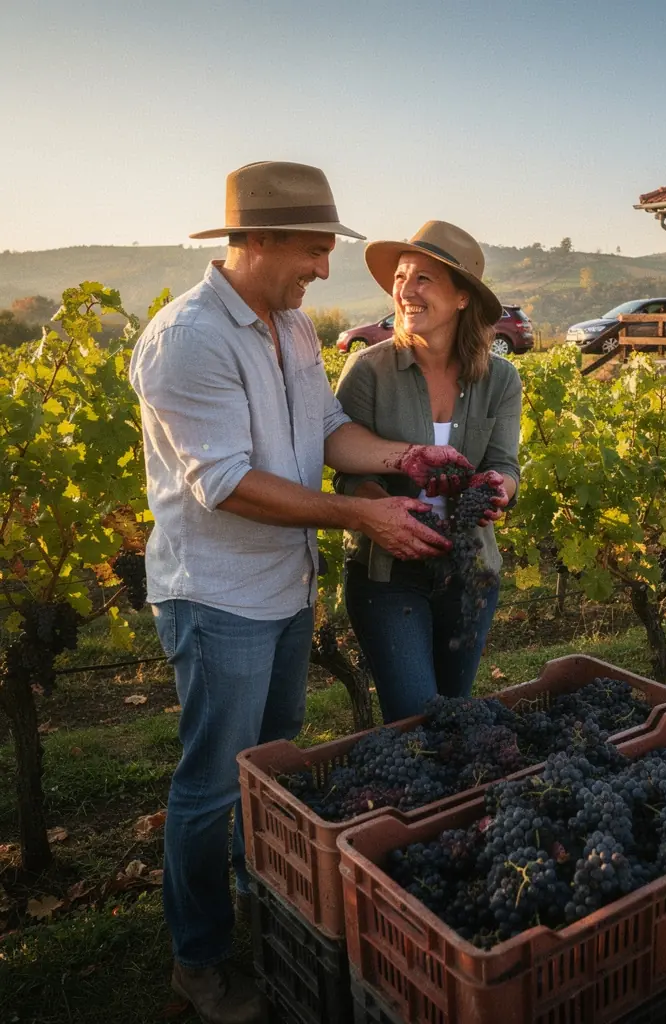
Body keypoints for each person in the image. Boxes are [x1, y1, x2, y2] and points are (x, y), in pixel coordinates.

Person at [129, 162, 468, 1024]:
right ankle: (199, 959)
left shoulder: (288, 329)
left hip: (283, 589)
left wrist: (402, 459)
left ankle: (263, 900)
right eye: (315, 251)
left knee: (271, 767)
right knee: (212, 784)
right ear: (259, 242)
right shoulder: (189, 339)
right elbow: (229, 484)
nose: (325, 269)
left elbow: (325, 430)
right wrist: (363, 522)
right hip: (216, 598)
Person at [336, 221, 521, 723]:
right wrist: (382, 506)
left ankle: (444, 805)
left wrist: (496, 489)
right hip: (388, 574)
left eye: (424, 279)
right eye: (401, 277)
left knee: (453, 717)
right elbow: (343, 469)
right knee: (415, 718)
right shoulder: (368, 370)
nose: (405, 290)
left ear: (463, 298)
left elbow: (504, 466)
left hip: (471, 572)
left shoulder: (501, 378)